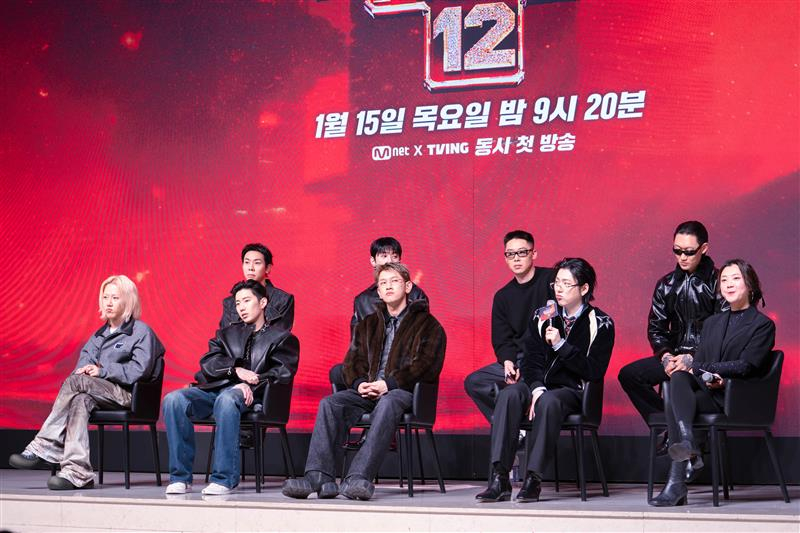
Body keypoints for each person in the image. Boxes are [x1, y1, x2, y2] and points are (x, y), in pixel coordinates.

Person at [283, 262, 445, 501]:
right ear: (378, 291)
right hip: (368, 390)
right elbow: (351, 362)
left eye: (394, 281)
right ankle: (319, 476)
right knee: (330, 403)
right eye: (383, 283)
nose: (388, 287)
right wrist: (359, 383)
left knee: (388, 403)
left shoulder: (428, 324)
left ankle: (358, 478)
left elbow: (426, 365)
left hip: (403, 393)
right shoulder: (368, 323)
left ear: (408, 286)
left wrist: (388, 384)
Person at [476, 258, 614, 503]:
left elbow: (593, 370)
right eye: (556, 282)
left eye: (566, 284)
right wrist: (536, 386)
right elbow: (530, 359)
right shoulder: (543, 316)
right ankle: (500, 478)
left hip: (573, 392)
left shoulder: (601, 323)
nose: (558, 289)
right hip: (540, 386)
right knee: (509, 394)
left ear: (583, 289)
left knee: (549, 401)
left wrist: (562, 345)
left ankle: (533, 478)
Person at [9, 275, 165, 490]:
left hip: (129, 395)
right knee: (79, 399)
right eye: (105, 297)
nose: (108, 302)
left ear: (128, 301)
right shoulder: (98, 336)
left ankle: (45, 445)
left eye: (115, 297)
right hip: (97, 394)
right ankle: (77, 473)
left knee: (78, 385)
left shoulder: (141, 332)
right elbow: (80, 372)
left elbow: (140, 371)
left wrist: (102, 371)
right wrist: (86, 371)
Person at [650, 259, 775, 506]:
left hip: (736, 398)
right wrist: (702, 373)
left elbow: (746, 366)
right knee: (678, 378)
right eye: (724, 279)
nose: (728, 284)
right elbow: (702, 362)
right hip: (708, 393)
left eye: (735, 278)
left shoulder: (763, 325)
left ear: (750, 285)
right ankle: (687, 444)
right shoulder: (712, 323)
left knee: (677, 396)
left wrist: (710, 373)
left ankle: (680, 474)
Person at [163, 280, 299, 495]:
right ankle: (180, 477)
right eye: (237, 303)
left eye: (247, 301)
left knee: (227, 399)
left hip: (255, 398)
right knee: (174, 400)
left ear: (262, 302)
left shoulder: (282, 338)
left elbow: (280, 374)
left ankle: (223, 479)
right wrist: (235, 372)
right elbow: (208, 363)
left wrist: (247, 385)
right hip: (217, 390)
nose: (241, 307)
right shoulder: (226, 334)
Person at [618, 221, 723, 454]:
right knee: (629, 375)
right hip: (673, 357)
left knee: (681, 380)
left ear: (704, 248)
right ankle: (671, 427)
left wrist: (693, 357)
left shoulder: (719, 282)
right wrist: (666, 356)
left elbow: (722, 331)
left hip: (706, 360)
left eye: (689, 251)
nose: (682, 257)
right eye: (677, 250)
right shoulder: (666, 284)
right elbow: (656, 327)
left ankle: (680, 432)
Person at [464, 230, 553, 423]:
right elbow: (502, 339)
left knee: (536, 376)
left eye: (522, 252)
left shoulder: (551, 280)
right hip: (519, 359)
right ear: (505, 258)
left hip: (548, 354)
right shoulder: (503, 296)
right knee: (474, 382)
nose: (516, 258)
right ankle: (513, 427)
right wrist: (508, 362)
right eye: (510, 254)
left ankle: (510, 425)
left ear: (533, 254)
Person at [350, 237, 428, 335]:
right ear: (373, 261)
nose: (390, 261)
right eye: (384, 256)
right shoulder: (363, 300)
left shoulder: (415, 294)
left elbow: (425, 336)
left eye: (394, 256)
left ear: (400, 260)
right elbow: (357, 343)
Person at [219, 242, 294, 330]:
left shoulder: (282, 300)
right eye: (247, 262)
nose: (250, 268)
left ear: (267, 268)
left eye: (257, 263)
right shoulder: (230, 303)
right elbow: (224, 338)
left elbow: (280, 339)